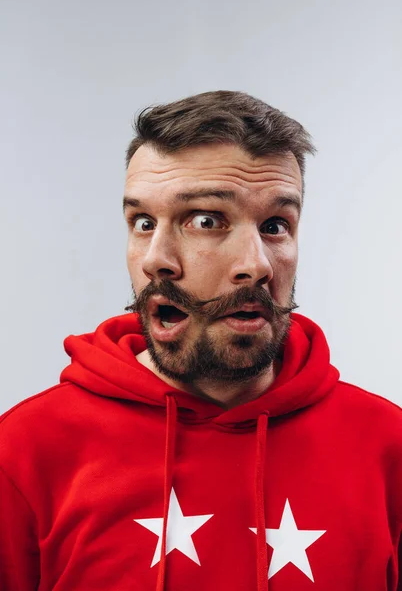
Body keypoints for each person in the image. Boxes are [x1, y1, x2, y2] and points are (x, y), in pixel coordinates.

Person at [0, 90, 401, 591]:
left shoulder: (389, 446)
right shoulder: (21, 451)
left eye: (276, 225)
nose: (155, 260)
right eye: (142, 222)